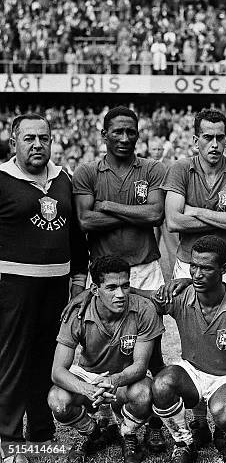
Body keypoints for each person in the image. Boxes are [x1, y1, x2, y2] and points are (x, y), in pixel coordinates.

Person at [72, 106, 168, 452]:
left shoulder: (153, 169)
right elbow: (85, 221)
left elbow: (156, 214)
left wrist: (110, 206)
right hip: (104, 275)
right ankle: (104, 422)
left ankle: (156, 420)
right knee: (99, 348)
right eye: (117, 132)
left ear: (139, 133)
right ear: (104, 135)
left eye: (131, 131)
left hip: (145, 268)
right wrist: (132, 216)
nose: (125, 138)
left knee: (151, 348)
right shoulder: (86, 172)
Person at [0, 114, 88, 463]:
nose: (38, 145)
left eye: (44, 138)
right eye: (29, 138)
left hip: (57, 288)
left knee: (44, 363)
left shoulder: (62, 178)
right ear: (14, 143)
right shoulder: (3, 179)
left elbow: (76, 236)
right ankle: (7, 442)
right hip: (13, 287)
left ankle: (40, 436)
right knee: (11, 363)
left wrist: (79, 281)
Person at [145, 236, 226, 463]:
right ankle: (184, 442)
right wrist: (90, 294)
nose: (197, 274)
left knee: (225, 411)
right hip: (192, 372)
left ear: (223, 269)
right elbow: (140, 299)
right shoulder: (180, 295)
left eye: (206, 268)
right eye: (193, 266)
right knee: (161, 384)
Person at [47, 256, 164, 463]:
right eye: (111, 288)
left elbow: (139, 366)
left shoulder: (144, 309)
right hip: (88, 376)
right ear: (94, 289)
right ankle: (92, 432)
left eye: (125, 286)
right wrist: (88, 389)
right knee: (58, 401)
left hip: (125, 377)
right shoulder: (78, 313)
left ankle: (127, 433)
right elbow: (58, 371)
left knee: (144, 394)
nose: (120, 294)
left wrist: (113, 381)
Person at [163, 109, 226, 292]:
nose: (214, 144)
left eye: (220, 138)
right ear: (196, 141)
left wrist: (195, 211)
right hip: (190, 263)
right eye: (208, 137)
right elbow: (173, 222)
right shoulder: (180, 168)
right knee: (190, 318)